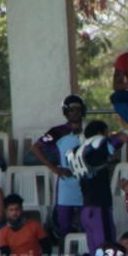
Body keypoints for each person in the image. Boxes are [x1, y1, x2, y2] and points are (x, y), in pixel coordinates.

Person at [71, 121, 128, 256]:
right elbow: (124, 137)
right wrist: (108, 137)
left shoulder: (78, 151)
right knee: (107, 252)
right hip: (100, 207)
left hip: (86, 209)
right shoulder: (100, 147)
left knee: (95, 255)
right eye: (106, 133)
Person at [33, 95, 87, 238]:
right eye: (71, 110)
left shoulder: (89, 130)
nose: (75, 112)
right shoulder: (57, 131)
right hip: (66, 183)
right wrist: (54, 168)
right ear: (66, 112)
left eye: (78, 109)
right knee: (63, 227)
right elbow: (36, 147)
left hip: (87, 182)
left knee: (87, 225)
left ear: (83, 111)